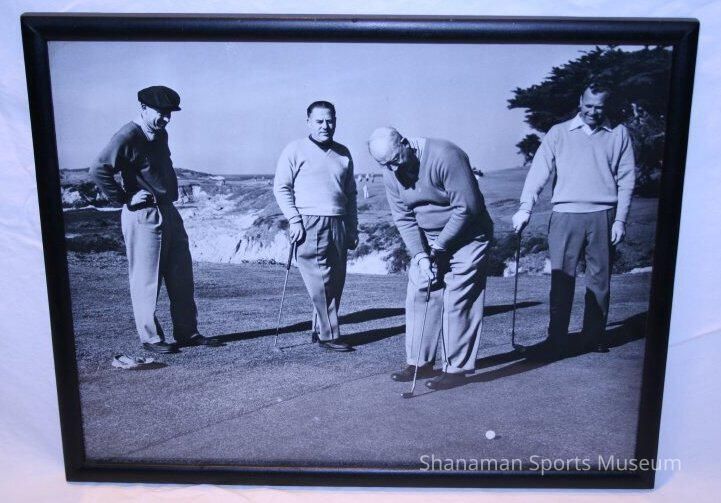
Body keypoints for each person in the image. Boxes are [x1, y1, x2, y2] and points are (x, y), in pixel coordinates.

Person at [90, 85, 221, 354]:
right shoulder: (127, 135)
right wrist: (125, 198)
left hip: (168, 210)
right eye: (161, 112)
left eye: (169, 113)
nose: (166, 118)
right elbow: (98, 169)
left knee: (181, 276)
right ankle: (150, 338)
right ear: (143, 108)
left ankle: (187, 332)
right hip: (143, 214)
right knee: (146, 280)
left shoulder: (160, 133)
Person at [512, 83, 636, 357]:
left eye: (599, 107)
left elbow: (627, 180)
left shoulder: (619, 133)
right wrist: (525, 208)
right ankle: (556, 339)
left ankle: (593, 337)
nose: (592, 111)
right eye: (588, 105)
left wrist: (620, 220)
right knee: (561, 280)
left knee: (600, 281)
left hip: (603, 215)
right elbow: (539, 172)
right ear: (580, 101)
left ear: (607, 106)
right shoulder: (558, 132)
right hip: (565, 215)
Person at [368, 127, 494, 390]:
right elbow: (403, 217)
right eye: (385, 165)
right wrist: (420, 255)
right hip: (430, 238)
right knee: (420, 292)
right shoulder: (391, 170)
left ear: (405, 143)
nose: (393, 169)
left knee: (458, 298)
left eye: (395, 160)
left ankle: (455, 369)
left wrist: (440, 246)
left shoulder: (446, 155)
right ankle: (419, 363)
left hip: (469, 235)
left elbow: (466, 208)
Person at [273, 101, 358, 352]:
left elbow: (351, 194)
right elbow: (281, 187)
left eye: (330, 121)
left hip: (339, 221)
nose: (325, 126)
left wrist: (353, 228)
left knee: (335, 281)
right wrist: (294, 219)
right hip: (309, 222)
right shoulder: (294, 149)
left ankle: (319, 328)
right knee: (320, 281)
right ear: (308, 122)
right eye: (319, 121)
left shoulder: (343, 153)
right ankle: (329, 335)